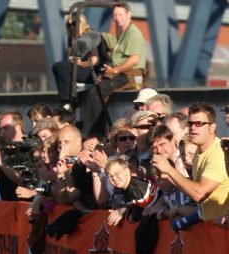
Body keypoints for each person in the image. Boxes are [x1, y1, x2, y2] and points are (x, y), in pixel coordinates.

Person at [152, 102, 229, 226]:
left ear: (212, 127)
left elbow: (199, 194)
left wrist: (170, 170)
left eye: (199, 123)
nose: (193, 128)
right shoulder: (199, 152)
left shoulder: (217, 153)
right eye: (190, 123)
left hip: (221, 230)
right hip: (207, 227)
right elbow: (191, 190)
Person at [81, 1, 146, 137]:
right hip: (121, 73)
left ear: (129, 14)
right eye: (115, 15)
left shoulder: (133, 32)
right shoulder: (123, 33)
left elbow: (134, 59)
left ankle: (95, 133)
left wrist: (115, 71)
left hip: (129, 75)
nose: (117, 18)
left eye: (121, 14)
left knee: (96, 92)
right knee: (96, 89)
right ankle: (94, 131)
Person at [52, 13, 105, 111]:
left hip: (92, 72)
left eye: (75, 23)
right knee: (57, 66)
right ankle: (68, 98)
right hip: (82, 70)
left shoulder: (89, 36)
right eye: (69, 24)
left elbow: (95, 60)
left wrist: (79, 63)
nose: (72, 27)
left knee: (62, 66)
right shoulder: (74, 39)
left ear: (82, 23)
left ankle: (67, 101)